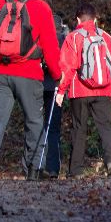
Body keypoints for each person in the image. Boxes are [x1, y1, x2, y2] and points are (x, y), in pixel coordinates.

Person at [0, 0, 62, 182]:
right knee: (34, 120)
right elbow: (50, 46)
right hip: (29, 73)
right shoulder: (41, 7)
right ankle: (33, 168)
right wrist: (57, 74)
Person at [56, 2, 111, 177]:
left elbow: (68, 67)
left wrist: (61, 91)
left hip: (79, 90)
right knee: (105, 127)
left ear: (78, 19)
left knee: (79, 128)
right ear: (95, 19)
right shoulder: (106, 37)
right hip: (104, 90)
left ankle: (76, 171)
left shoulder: (73, 37)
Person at [31, 12, 70, 180]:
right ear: (61, 25)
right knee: (53, 128)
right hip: (55, 86)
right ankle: (53, 168)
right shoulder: (64, 38)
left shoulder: (39, 35)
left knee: (35, 125)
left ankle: (34, 166)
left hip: (37, 85)